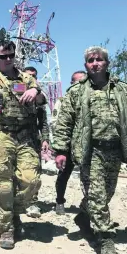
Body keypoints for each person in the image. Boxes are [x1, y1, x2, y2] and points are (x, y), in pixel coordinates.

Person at [0, 36, 44, 249]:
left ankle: (13, 212)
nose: (8, 59)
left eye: (11, 55)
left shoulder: (26, 79)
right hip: (0, 134)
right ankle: (6, 228)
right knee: (3, 185)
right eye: (4, 56)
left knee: (31, 180)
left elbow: (41, 101)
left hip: (25, 135)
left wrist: (36, 91)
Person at [53, 46, 127, 254]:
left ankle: (83, 217)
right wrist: (61, 150)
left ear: (107, 63)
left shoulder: (122, 89)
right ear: (86, 65)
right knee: (97, 195)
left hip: (114, 151)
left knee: (107, 193)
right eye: (90, 61)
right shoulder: (77, 91)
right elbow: (64, 123)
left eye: (99, 60)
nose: (95, 63)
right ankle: (105, 238)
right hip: (89, 152)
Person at [52, 70, 86, 215]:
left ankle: (88, 206)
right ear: (71, 83)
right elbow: (55, 122)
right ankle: (59, 201)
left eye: (82, 81)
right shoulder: (63, 101)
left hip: (86, 145)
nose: (79, 84)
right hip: (68, 145)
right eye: (75, 81)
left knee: (89, 177)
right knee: (63, 175)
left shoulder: (91, 100)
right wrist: (61, 145)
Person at [23, 66, 50, 218]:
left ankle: (32, 202)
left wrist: (45, 138)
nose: (31, 78)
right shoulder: (15, 89)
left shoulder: (39, 96)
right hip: (14, 138)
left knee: (34, 173)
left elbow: (43, 120)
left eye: (34, 75)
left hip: (33, 139)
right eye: (28, 75)